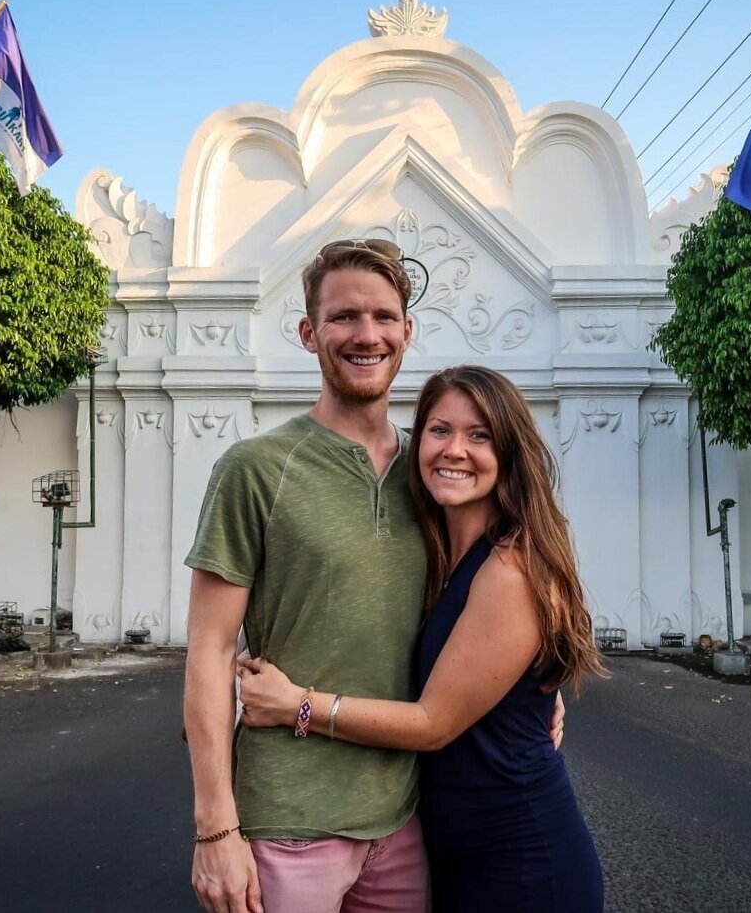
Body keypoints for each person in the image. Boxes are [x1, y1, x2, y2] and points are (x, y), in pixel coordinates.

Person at [238, 364, 608, 912]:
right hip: (455, 850)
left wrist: (298, 706)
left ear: (509, 454)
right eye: (439, 430)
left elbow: (434, 724)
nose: (454, 449)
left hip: (522, 859)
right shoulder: (440, 554)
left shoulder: (510, 570)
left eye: (479, 435)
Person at [183, 237, 429, 913]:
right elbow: (207, 652)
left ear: (408, 332)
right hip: (285, 824)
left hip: (405, 818)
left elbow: (485, 601)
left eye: (383, 317)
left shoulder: (435, 473)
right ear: (308, 332)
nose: (366, 334)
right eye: (344, 316)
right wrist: (216, 830)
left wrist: (533, 689)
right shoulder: (255, 468)